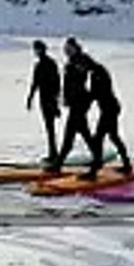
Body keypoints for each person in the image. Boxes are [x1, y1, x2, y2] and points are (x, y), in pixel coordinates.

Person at [45, 38, 95, 173]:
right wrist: (65, 98)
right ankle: (97, 157)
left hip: (80, 103)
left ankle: (58, 164)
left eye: (69, 48)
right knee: (84, 133)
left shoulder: (82, 59)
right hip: (74, 103)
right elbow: (68, 84)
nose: (66, 51)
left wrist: (91, 96)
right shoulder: (70, 62)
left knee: (70, 134)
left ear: (75, 47)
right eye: (65, 49)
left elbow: (95, 71)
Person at [86, 58, 132, 179]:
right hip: (106, 109)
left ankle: (94, 170)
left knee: (98, 138)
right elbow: (93, 94)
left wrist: (90, 96)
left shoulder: (101, 71)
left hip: (110, 109)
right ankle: (127, 164)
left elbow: (101, 91)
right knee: (113, 137)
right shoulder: (93, 74)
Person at [26, 40, 61, 163]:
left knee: (50, 127)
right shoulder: (38, 65)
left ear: (43, 49)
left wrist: (56, 101)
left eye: (37, 49)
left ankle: (54, 154)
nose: (35, 52)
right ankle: (53, 152)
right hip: (43, 99)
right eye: (35, 49)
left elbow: (57, 83)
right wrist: (30, 98)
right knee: (48, 127)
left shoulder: (50, 64)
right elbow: (35, 83)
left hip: (50, 99)